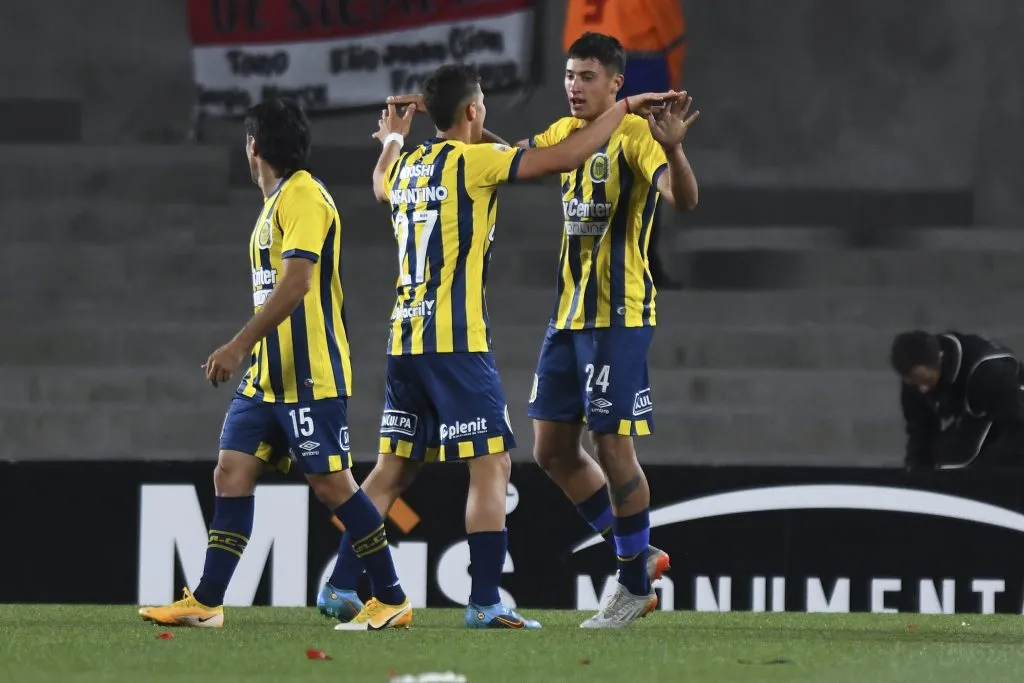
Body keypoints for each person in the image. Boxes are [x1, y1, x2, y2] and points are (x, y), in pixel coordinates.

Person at [316, 64, 682, 629]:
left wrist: (392, 137)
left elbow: (379, 182)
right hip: (457, 344)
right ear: (472, 113)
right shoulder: (477, 163)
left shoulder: (410, 166)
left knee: (392, 468)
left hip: (404, 341)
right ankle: (485, 599)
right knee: (491, 466)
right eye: (481, 104)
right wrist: (626, 109)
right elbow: (563, 157)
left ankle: (340, 583)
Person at [138, 98, 411, 631]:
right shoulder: (276, 203)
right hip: (267, 376)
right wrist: (252, 354)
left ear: (254, 146)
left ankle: (393, 595)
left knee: (333, 486)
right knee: (230, 470)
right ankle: (207, 600)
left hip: (310, 372)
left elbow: (297, 283)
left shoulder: (306, 195)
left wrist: (237, 344)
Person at [519, 31, 698, 628]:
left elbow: (682, 198)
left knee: (612, 444)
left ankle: (629, 586)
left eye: (587, 75)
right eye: (570, 75)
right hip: (568, 314)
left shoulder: (635, 133)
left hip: (618, 315)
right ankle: (637, 550)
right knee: (550, 448)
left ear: (616, 83)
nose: (574, 85)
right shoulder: (567, 134)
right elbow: (520, 157)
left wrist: (674, 150)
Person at [891, 330, 1024, 470]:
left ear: (941, 358)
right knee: (945, 457)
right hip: (977, 414)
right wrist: (916, 475)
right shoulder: (914, 382)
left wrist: (982, 472)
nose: (922, 388)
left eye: (927, 380)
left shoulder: (988, 373)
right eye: (914, 381)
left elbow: (1017, 429)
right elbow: (920, 433)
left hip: (1015, 410)